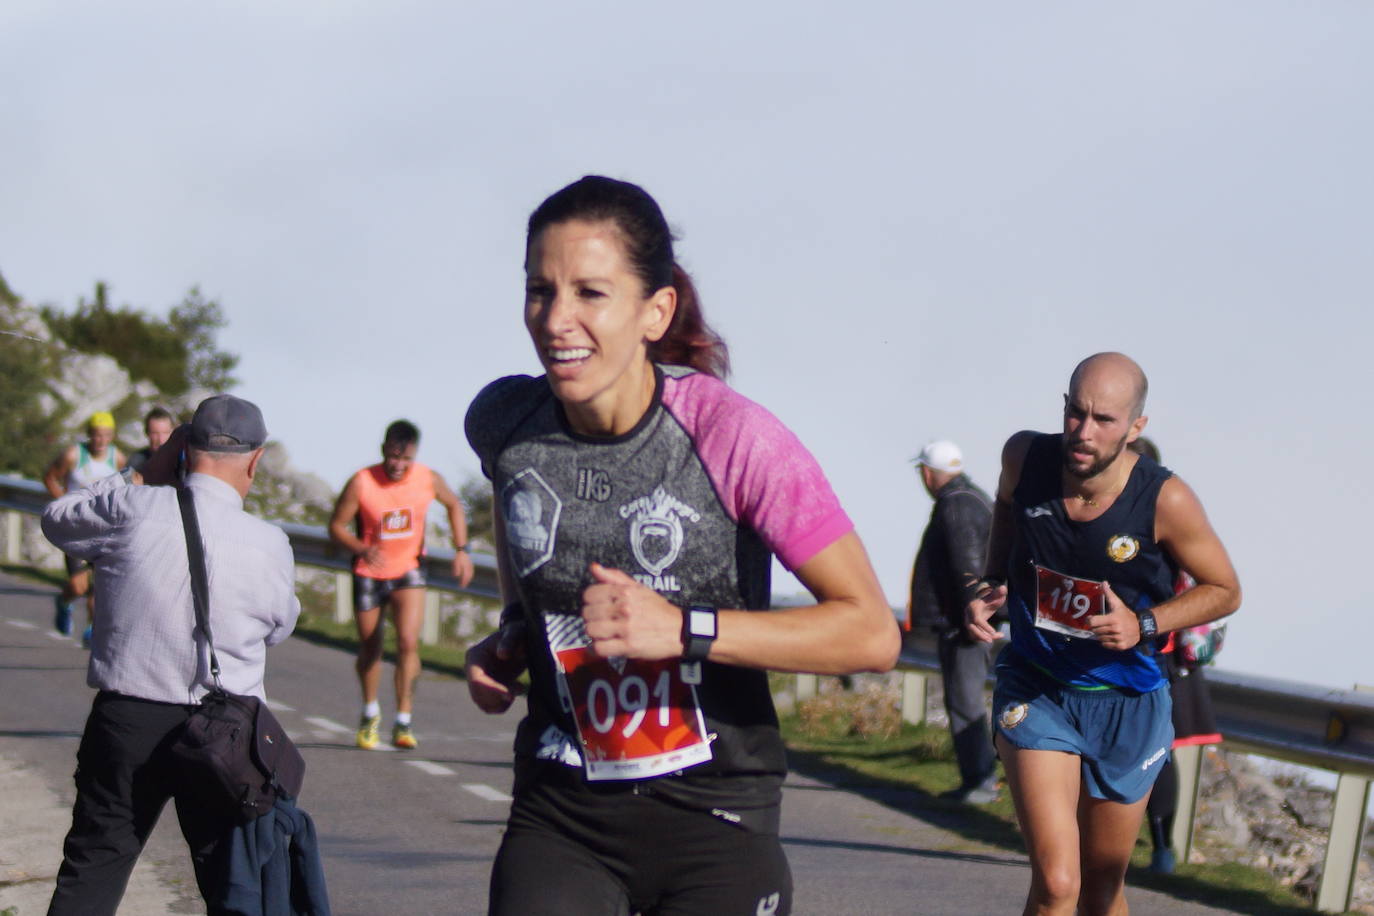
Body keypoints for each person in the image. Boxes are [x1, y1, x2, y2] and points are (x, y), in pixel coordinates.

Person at [463, 175, 900, 916]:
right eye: (540, 290)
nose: (556, 320)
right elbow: (517, 499)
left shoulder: (734, 438)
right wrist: (514, 625)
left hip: (715, 816)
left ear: (654, 311)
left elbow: (870, 631)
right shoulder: (506, 422)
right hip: (562, 811)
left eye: (591, 294)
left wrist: (683, 629)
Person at [965, 352, 1241, 916]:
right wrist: (994, 577)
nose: (1083, 433)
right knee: (1057, 885)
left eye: (1104, 420)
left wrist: (1142, 623)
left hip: (1128, 703)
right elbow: (1006, 505)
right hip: (1038, 688)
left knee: (1100, 889)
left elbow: (1225, 589)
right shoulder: (1025, 456)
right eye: (1075, 412)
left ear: (1136, 427)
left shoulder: (1166, 499)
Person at [41, 394, 301, 916]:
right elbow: (278, 627)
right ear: (256, 459)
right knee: (235, 884)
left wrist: (142, 475)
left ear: (184, 447)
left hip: (127, 719)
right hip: (222, 733)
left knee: (95, 864)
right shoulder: (269, 543)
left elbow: (57, 520)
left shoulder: (130, 508)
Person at [328, 419, 476, 750]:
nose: (398, 465)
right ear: (383, 451)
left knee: (409, 642)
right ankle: (369, 714)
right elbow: (336, 526)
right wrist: (362, 548)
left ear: (415, 455)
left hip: (409, 569)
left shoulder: (428, 478)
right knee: (371, 646)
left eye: (406, 458)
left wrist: (462, 550)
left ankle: (403, 722)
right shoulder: (362, 482)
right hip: (369, 570)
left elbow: (454, 505)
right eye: (393, 457)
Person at [1128, 436, 1224, 875]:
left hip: (1152, 656)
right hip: (1168, 659)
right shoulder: (1178, 511)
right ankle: (1161, 848)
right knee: (1158, 752)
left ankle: (1159, 846)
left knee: (1152, 751)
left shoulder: (1143, 517)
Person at [907, 439, 1000, 804]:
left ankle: (982, 781)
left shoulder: (955, 505)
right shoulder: (971, 498)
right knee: (964, 699)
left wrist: (971, 614)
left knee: (965, 700)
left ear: (928, 473)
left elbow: (968, 565)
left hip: (964, 625)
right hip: (966, 621)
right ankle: (976, 780)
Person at [43, 411, 126, 644]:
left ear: (112, 436)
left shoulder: (117, 458)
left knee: (98, 586)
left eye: (106, 435)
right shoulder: (73, 454)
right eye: (96, 435)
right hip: (76, 528)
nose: (100, 440)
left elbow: (127, 486)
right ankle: (64, 601)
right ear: (89, 434)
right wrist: (65, 504)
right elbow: (50, 477)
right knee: (78, 586)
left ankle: (92, 632)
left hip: (103, 529)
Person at [125, 406, 176, 473]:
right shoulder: (136, 462)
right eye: (155, 433)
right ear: (146, 433)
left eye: (165, 433)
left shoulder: (184, 460)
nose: (161, 440)